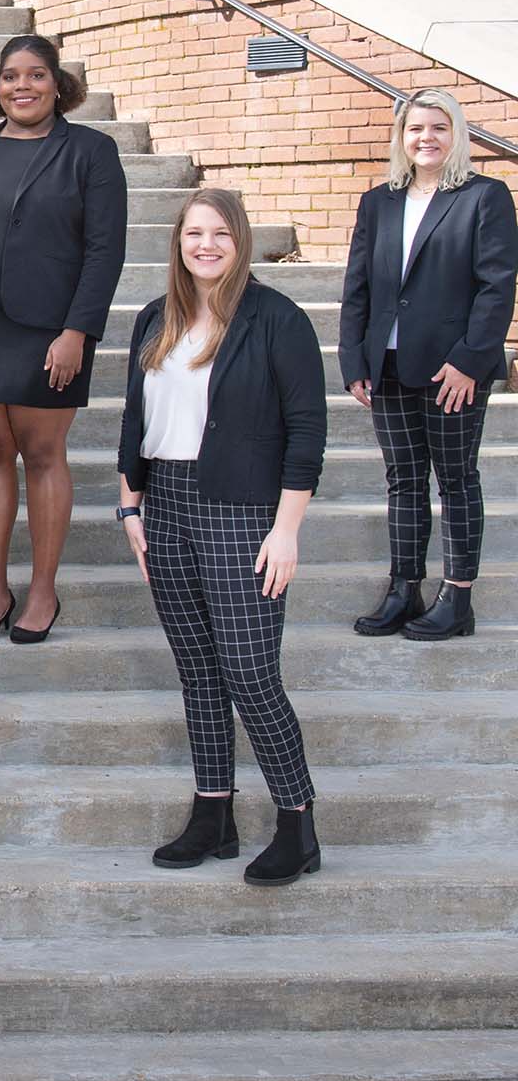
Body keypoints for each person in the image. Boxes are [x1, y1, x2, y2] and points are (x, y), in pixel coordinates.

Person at [117, 188, 327, 887]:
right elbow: (133, 423)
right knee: (198, 670)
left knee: (249, 672)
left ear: (239, 241)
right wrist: (130, 508)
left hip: (243, 510)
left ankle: (298, 821)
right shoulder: (157, 316)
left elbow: (307, 432)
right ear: (178, 243)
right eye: (192, 234)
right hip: (166, 507)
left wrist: (287, 530)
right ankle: (214, 813)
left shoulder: (278, 318)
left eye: (219, 234)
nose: (204, 245)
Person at [0, 34, 127, 644]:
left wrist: (77, 331)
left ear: (58, 85)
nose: (23, 87)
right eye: (11, 76)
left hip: (48, 334)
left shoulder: (90, 151)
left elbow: (104, 248)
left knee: (41, 455)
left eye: (36, 75)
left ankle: (41, 590)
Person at [340, 89, 517, 641]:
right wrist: (354, 361)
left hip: (453, 371)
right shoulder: (379, 201)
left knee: (456, 479)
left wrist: (470, 360)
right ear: (401, 136)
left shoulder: (484, 196)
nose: (427, 138)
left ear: (456, 134)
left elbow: (497, 286)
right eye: (416, 128)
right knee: (404, 481)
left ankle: (457, 598)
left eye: (439, 128)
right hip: (387, 363)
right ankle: (403, 590)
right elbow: (359, 287)